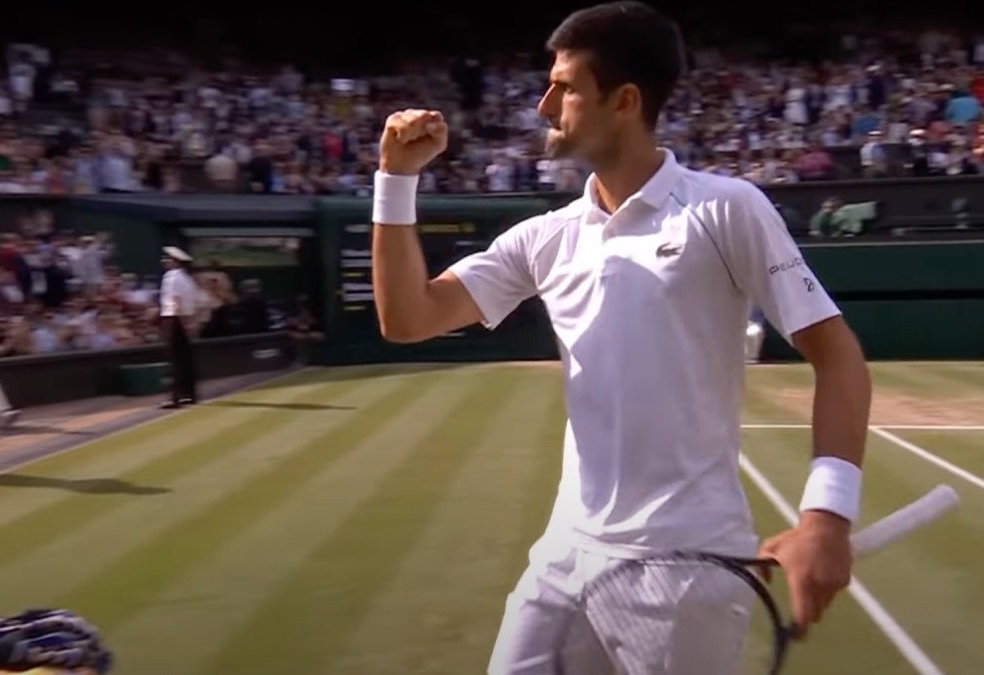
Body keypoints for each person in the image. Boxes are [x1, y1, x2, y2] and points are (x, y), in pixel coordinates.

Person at [368, 3, 873, 673]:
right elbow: (407, 317)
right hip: (563, 556)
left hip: (686, 569)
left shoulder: (726, 208)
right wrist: (395, 181)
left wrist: (827, 515)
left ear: (625, 101)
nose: (546, 104)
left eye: (567, 87)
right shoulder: (545, 237)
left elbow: (838, 357)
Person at [158, 246, 198, 408]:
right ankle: (189, 395)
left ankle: (175, 397)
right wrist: (190, 323)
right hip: (184, 319)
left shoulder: (171, 277)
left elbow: (176, 301)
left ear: (174, 262)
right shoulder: (187, 279)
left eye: (167, 259)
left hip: (173, 319)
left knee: (174, 359)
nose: (164, 261)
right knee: (185, 358)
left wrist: (182, 322)